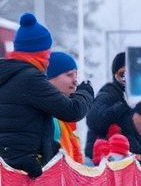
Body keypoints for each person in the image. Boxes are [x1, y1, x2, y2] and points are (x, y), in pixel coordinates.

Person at [0, 13, 93, 177]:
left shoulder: (8, 73)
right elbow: (72, 111)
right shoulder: (30, 78)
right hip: (20, 166)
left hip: (9, 162)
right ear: (42, 52)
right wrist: (85, 92)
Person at [85, 51, 131, 161]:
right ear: (115, 75)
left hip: (128, 158)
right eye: (122, 74)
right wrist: (123, 105)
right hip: (102, 159)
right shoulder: (109, 93)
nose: (127, 79)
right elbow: (94, 119)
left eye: (131, 74)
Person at [45, 51, 85, 163]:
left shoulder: (67, 111)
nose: (75, 81)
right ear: (50, 78)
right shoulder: (46, 112)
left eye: (76, 74)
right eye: (69, 75)